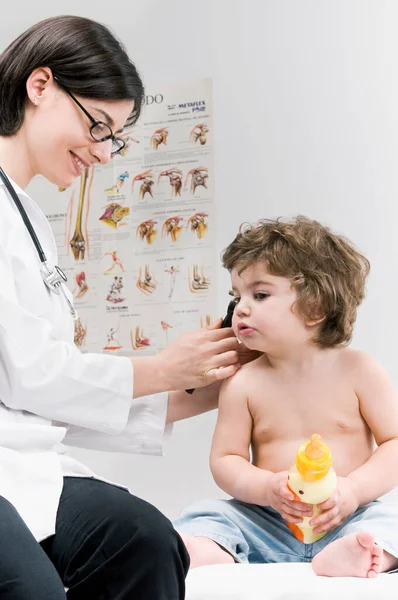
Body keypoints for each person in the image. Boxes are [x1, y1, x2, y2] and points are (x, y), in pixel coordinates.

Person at [0, 15, 242, 599]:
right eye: (98, 126)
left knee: (144, 540)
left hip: (23, 463)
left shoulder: (32, 222)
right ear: (40, 86)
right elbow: (28, 376)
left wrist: (195, 392)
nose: (105, 154)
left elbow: (36, 397)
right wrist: (163, 368)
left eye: (114, 136)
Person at [174, 215, 398, 578]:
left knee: (388, 522)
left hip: (346, 517)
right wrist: (265, 488)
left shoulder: (360, 371)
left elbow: (394, 443)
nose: (241, 308)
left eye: (260, 295)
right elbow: (226, 458)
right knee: (209, 515)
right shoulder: (244, 382)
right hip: (267, 522)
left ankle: (357, 554)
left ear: (315, 307)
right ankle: (204, 548)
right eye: (237, 296)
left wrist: (354, 491)